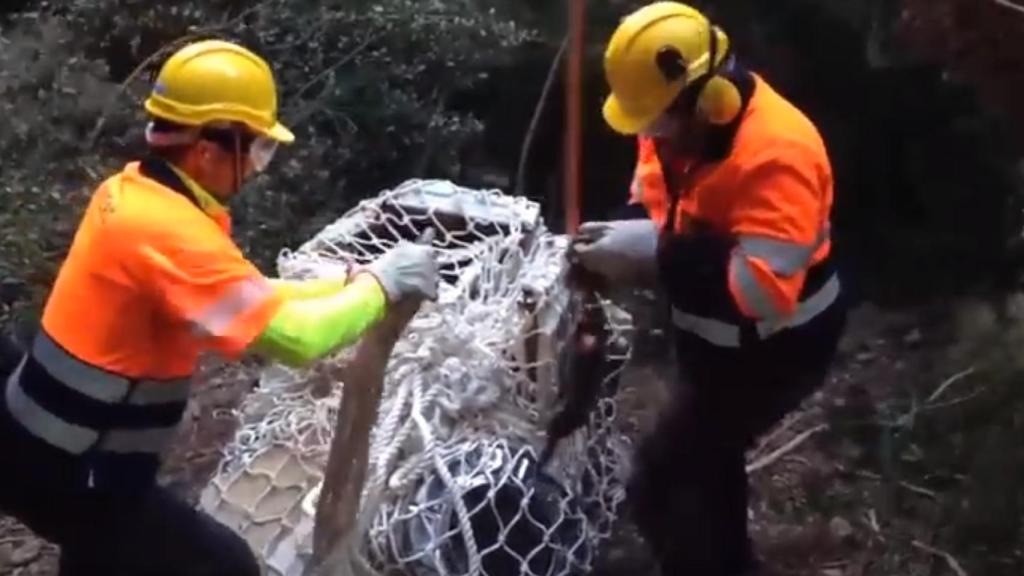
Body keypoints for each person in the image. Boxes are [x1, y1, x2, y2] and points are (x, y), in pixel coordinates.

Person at [0, 39, 439, 575]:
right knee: (225, 566)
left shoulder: (133, 191)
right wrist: (383, 286)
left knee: (104, 554)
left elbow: (245, 296)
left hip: (46, 441)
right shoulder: (170, 232)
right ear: (208, 148)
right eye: (257, 149)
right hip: (72, 469)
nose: (258, 167)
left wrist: (346, 283)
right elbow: (299, 338)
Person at [570, 3, 849, 575]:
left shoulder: (779, 153)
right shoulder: (671, 125)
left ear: (709, 98)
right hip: (714, 344)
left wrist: (659, 255)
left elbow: (763, 293)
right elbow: (653, 197)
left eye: (658, 123)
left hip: (778, 347)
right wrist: (619, 238)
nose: (651, 138)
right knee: (708, 470)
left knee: (663, 482)